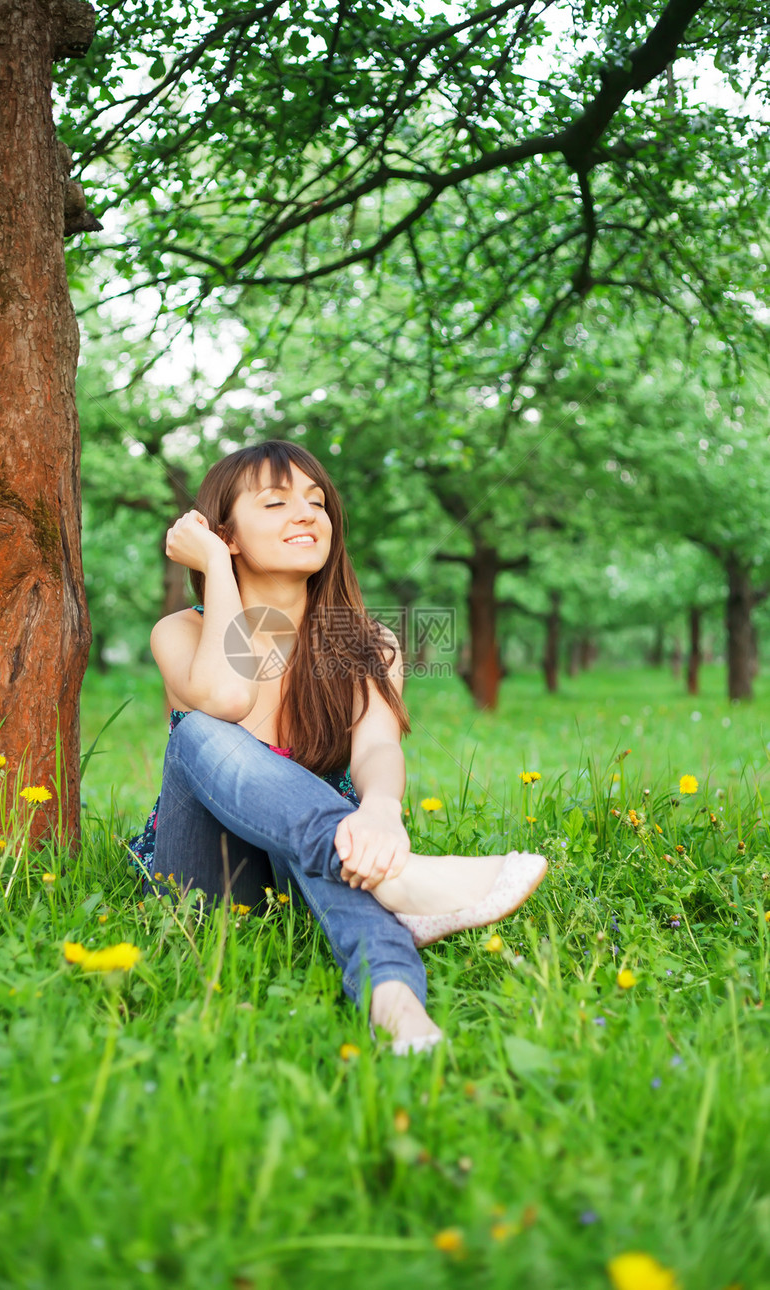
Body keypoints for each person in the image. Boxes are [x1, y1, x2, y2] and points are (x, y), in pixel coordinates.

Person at [133, 440, 547, 1054]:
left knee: (346, 845)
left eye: (317, 502)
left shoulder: (369, 643)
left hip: (312, 856)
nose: (307, 515)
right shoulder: (182, 631)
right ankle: (403, 882)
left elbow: (377, 746)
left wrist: (380, 810)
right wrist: (218, 570)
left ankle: (399, 1009)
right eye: (276, 503)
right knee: (197, 731)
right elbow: (222, 699)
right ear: (228, 535)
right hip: (205, 876)